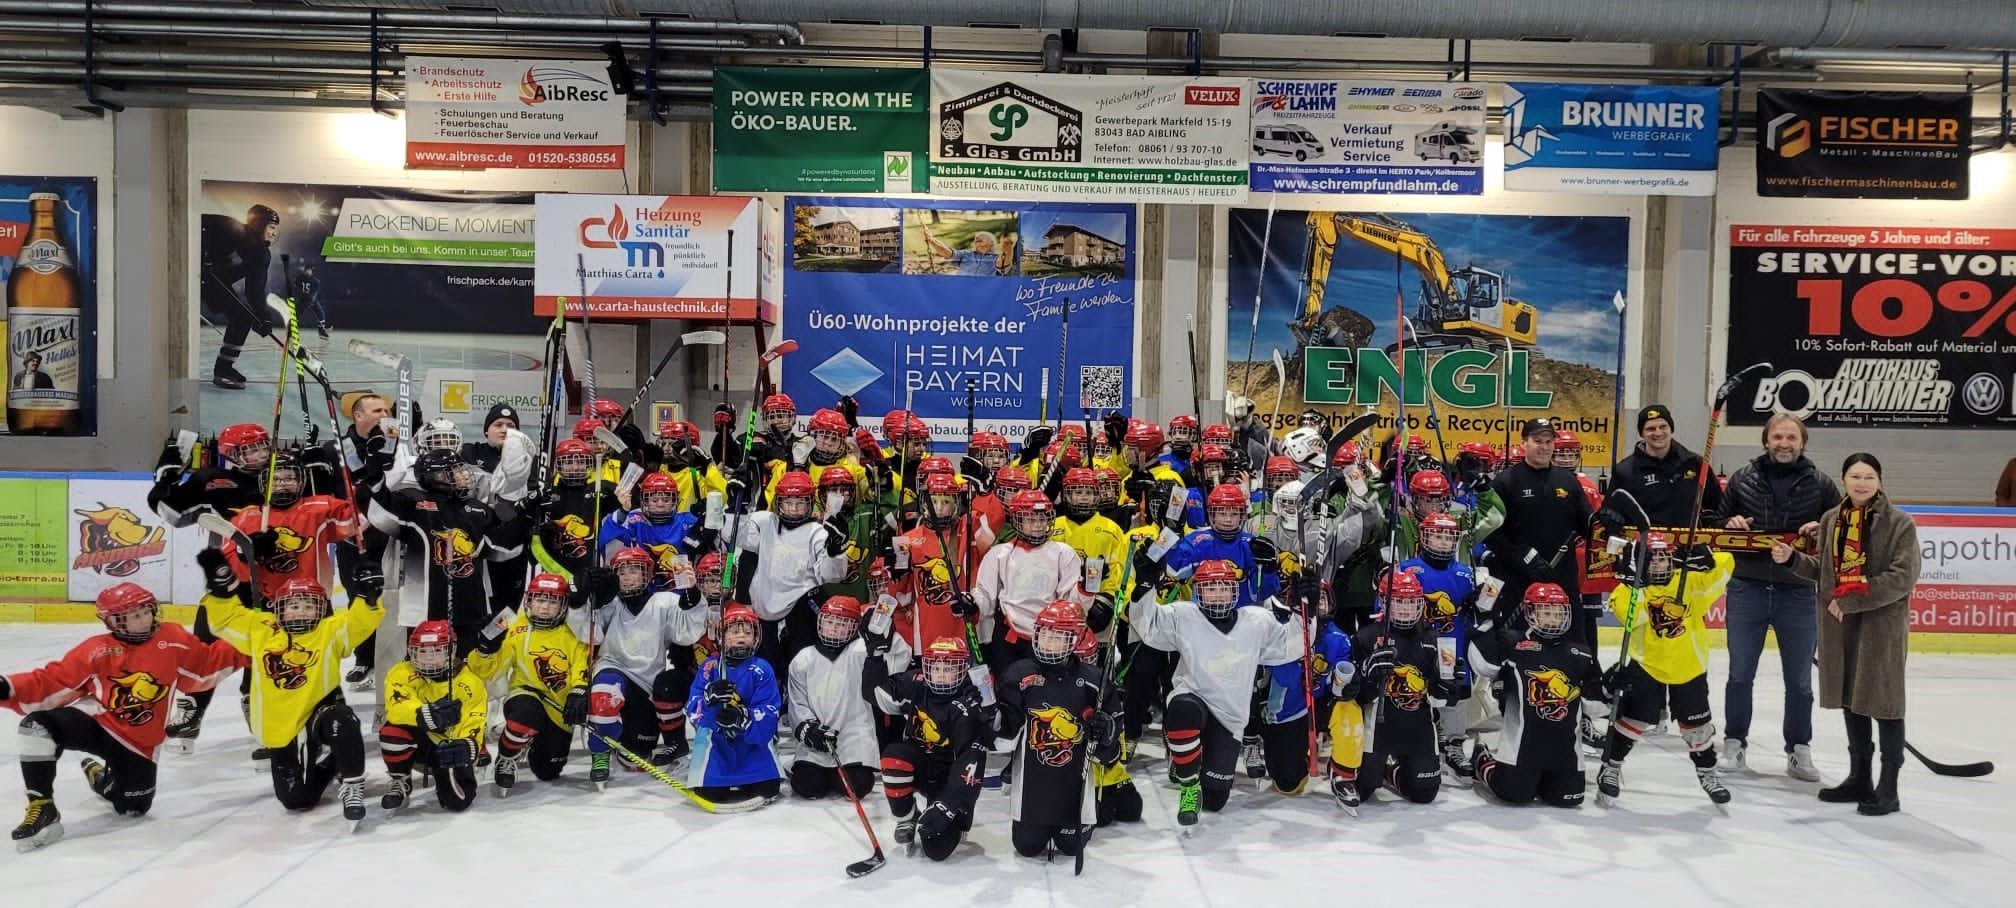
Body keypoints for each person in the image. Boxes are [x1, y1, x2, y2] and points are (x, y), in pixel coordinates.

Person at [3, 583, 242, 851]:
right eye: (132, 616)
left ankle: (100, 778)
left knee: (132, 806)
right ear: (114, 621)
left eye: (145, 612)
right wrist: (8, 686)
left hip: (138, 743)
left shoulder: (173, 638)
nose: (142, 620)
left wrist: (254, 648)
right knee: (36, 727)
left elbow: (206, 665)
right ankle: (42, 806)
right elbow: (52, 682)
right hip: (98, 723)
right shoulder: (96, 650)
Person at [194, 549, 384, 829]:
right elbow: (225, 620)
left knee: (342, 722)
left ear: (321, 609)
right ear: (280, 608)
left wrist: (367, 596)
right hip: (282, 728)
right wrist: (220, 592)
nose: (301, 611)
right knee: (297, 800)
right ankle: (333, 761)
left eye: (309, 606)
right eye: (294, 605)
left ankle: (352, 784)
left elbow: (359, 621)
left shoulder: (329, 631)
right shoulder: (261, 631)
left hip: (320, 712)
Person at [1777, 453, 1921, 816]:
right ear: (1843, 480)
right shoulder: (1832, 520)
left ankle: (1888, 789)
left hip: (1880, 626)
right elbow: (1825, 573)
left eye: (1869, 476)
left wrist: (1853, 600)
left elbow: (1902, 578)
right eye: (1855, 476)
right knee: (1850, 699)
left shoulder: (1900, 523)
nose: (1861, 482)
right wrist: (1792, 560)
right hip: (1840, 624)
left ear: (1880, 481)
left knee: (1885, 703)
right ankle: (1860, 777)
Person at [1124, 557, 1309, 827]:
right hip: (1193, 698)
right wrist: (1144, 587)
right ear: (1198, 591)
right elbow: (1148, 626)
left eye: (1223, 586)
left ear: (1235, 590)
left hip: (1230, 717)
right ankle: (1188, 783)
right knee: (1182, 710)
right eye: (1210, 587)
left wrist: (1306, 609)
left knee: (1215, 800)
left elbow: (1293, 646)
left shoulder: (1256, 620)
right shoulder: (1183, 615)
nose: (1217, 593)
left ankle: (1194, 766)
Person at [1720, 413, 1839, 781]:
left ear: (1802, 442)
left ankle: (1799, 749)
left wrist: (1823, 528)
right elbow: (1717, 522)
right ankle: (1734, 743)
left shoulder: (1821, 484)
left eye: (1791, 437)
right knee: (1740, 675)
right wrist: (1731, 524)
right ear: (1766, 440)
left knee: (1799, 680)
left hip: (1798, 592)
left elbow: (1840, 531)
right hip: (1747, 588)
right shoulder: (1742, 479)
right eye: (1777, 436)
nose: (1784, 443)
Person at [1597, 533, 1734, 808]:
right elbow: (1630, 616)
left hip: (1689, 666)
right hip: (1647, 666)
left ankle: (1707, 772)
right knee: (1636, 719)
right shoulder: (1629, 589)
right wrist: (1638, 585)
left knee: (1697, 727)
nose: (1660, 563)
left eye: (1664, 557)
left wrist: (1702, 557)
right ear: (1640, 562)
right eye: (1652, 558)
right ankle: (1611, 766)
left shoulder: (1691, 581)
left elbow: (1727, 563)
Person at [994, 600, 1125, 858]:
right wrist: (995, 720)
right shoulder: (1018, 676)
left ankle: (1078, 817)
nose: (1048, 642)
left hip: (1073, 784)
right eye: (1044, 634)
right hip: (1032, 786)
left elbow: (1111, 755)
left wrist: (1104, 732)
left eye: (1057, 636)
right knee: (1028, 846)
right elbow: (1003, 742)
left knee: (1071, 846)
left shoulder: (1094, 682)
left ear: (1073, 641)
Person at [1466, 582, 1604, 808]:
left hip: (1566, 755)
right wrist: (1486, 621)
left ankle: (1543, 778)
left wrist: (1611, 687)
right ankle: (1482, 756)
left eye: (1557, 613)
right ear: (1531, 613)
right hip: (1521, 752)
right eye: (1546, 612)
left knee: (1569, 799)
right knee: (1514, 794)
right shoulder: (1513, 643)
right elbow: (1482, 664)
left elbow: (1596, 705)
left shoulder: (1580, 652)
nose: (1553, 618)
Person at [580, 546, 709, 782]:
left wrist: (692, 595)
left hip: (646, 683)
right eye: (621, 571)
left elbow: (687, 633)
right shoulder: (610, 602)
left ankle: (617, 734)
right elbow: (589, 635)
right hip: (613, 666)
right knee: (604, 695)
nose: (627, 576)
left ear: (647, 575)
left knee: (635, 758)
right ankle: (599, 753)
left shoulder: (664, 601)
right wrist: (587, 599)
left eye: (634, 571)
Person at [862, 634, 990, 861]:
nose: (940, 674)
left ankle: (945, 810)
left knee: (936, 849)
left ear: (962, 670)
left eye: (948, 668)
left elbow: (970, 764)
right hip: (922, 764)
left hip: (950, 777)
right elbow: (875, 694)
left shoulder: (970, 700)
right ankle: (907, 816)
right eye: (935, 667)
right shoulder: (917, 683)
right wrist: (874, 658)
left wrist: (947, 806)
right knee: (894, 757)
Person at [465, 573, 589, 796]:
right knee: (525, 716)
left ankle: (533, 741)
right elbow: (486, 672)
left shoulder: (574, 630)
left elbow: (582, 666)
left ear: (563, 604)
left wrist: (579, 692)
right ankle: (507, 757)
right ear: (529, 600)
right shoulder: (510, 624)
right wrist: (485, 649)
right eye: (539, 600)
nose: (544, 607)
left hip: (559, 708)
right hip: (525, 695)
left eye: (552, 601)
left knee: (548, 770)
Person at [1338, 571, 1447, 809]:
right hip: (1378, 727)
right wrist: (1368, 675)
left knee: (1424, 794)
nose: (1405, 609)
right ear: (1385, 603)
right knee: (1363, 789)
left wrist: (1449, 685)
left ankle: (1392, 770)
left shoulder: (1433, 639)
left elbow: (1441, 699)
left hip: (1418, 727)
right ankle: (1351, 768)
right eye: (1399, 602)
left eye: (1410, 602)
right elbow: (1355, 697)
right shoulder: (1367, 636)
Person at [787, 595, 909, 800]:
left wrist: (886, 637)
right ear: (820, 622)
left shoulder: (861, 650)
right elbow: (798, 701)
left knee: (858, 786)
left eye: (842, 624)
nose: (834, 628)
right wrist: (808, 729)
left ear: (855, 627)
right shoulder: (804, 658)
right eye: (829, 622)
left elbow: (900, 659)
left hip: (854, 738)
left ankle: (840, 770)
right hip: (818, 739)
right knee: (808, 785)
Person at [1484, 419, 1594, 642]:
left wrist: (1604, 520)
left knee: (1572, 645)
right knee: (1518, 647)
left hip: (1562, 581)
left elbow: (1587, 525)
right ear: (1524, 443)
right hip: (1520, 582)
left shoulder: (1568, 481)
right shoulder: (1505, 482)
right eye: (1537, 441)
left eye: (1548, 441)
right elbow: (1491, 533)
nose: (1544, 447)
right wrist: (1520, 556)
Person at [376, 620, 486, 814]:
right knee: (392, 732)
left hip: (448, 745)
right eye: (422, 652)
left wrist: (468, 745)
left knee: (457, 802)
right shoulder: (401, 672)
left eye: (436, 651)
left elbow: (475, 720)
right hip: (419, 742)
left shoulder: (470, 682)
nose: (428, 659)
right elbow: (397, 707)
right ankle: (401, 780)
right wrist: (427, 714)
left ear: (450, 652)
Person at [687, 604, 785, 807]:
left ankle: (750, 774)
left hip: (751, 743)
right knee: (710, 793)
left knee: (767, 788)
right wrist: (709, 699)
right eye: (733, 631)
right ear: (721, 636)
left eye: (748, 632)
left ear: (756, 637)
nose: (741, 636)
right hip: (717, 741)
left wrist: (742, 717)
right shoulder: (710, 666)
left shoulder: (762, 668)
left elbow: (770, 709)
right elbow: (693, 705)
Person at [200, 203, 279, 389]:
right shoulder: (229, 227)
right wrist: (201, 254)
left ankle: (224, 370)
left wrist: (263, 317)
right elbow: (194, 224)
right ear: (259, 224)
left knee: (243, 317)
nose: (274, 233)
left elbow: (255, 290)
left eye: (276, 229)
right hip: (189, 274)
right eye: (272, 227)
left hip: (214, 281)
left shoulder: (261, 255)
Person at [923, 227, 1014, 276]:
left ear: (991, 243)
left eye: (981, 236)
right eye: (976, 239)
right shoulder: (966, 254)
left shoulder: (995, 257)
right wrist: (931, 240)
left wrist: (1008, 250)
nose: (977, 237)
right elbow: (947, 253)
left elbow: (1003, 265)